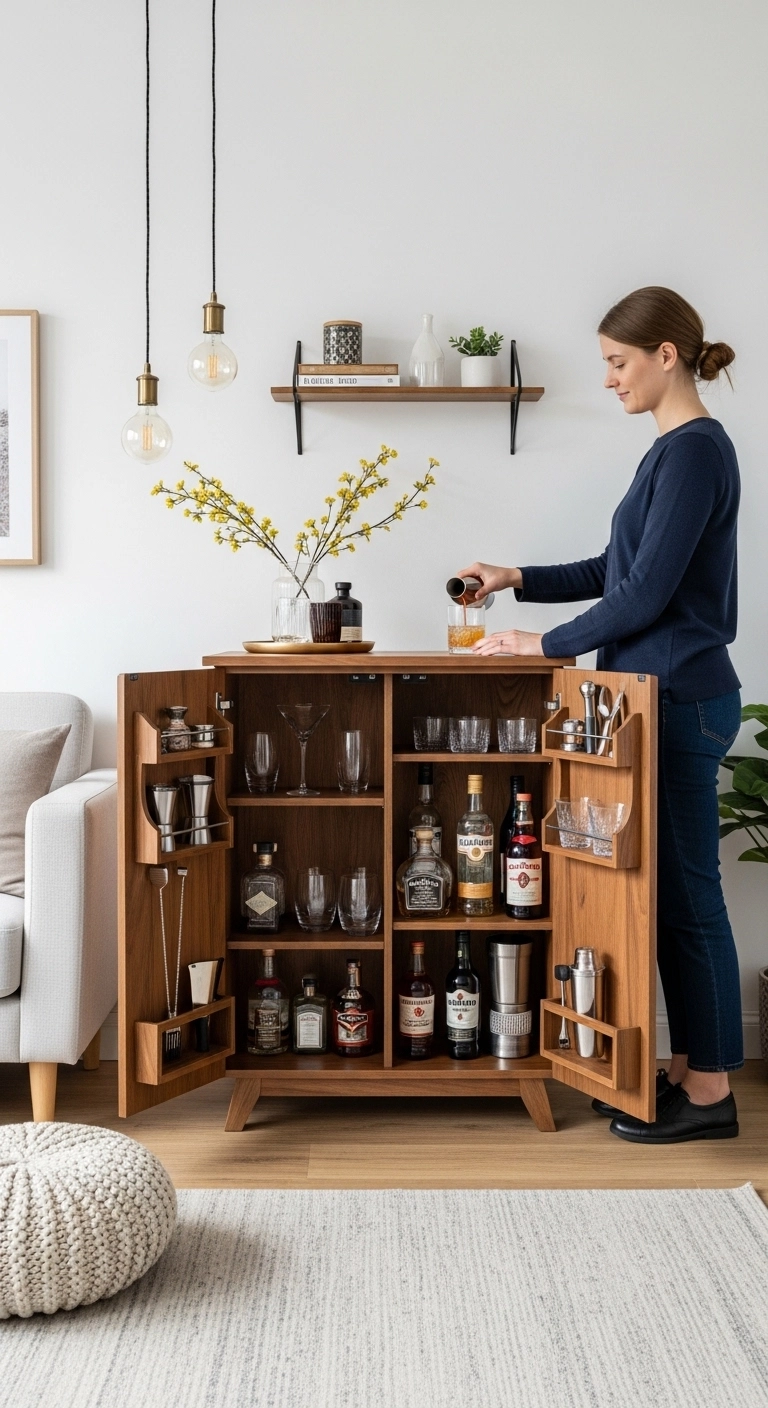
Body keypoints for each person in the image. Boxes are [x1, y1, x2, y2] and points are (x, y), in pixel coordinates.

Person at [460, 285, 742, 1144]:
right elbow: (619, 570)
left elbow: (649, 595)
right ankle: (693, 1066)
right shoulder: (670, 452)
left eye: (619, 363)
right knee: (664, 897)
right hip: (651, 701)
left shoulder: (694, 452)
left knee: (690, 900)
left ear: (667, 354)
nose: (610, 379)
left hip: (682, 698)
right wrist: (520, 577)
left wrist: (542, 647)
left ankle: (711, 1091)